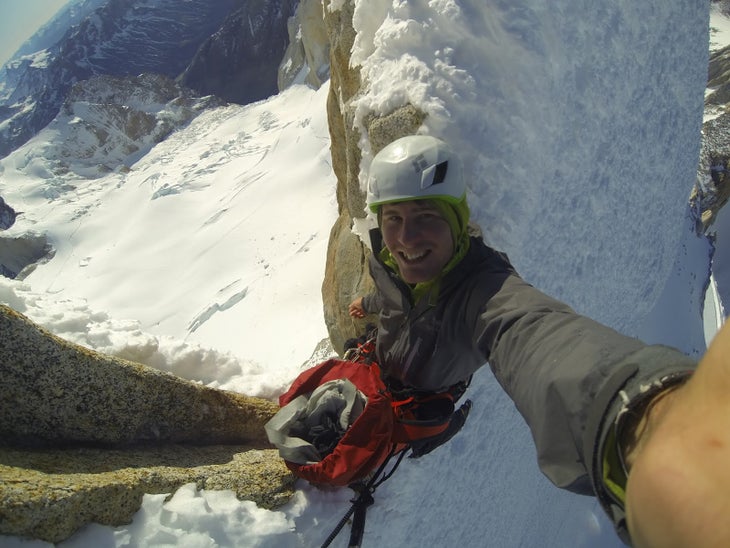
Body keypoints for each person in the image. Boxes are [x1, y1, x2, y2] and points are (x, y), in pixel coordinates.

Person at [347, 134, 729, 547]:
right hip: (386, 363)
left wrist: (636, 416)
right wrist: (367, 302)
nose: (406, 238)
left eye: (426, 216)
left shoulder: (484, 288)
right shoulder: (386, 260)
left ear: (457, 220)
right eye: (394, 220)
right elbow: (394, 300)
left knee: (417, 427)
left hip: (427, 392)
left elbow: (531, 330)